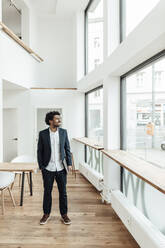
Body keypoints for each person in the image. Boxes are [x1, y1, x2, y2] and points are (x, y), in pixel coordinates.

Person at [37, 111, 72, 225]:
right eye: (57, 119)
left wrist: (70, 163)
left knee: (63, 192)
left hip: (61, 167)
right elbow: (39, 151)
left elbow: (67, 148)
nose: (59, 120)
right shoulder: (42, 134)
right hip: (48, 168)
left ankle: (64, 215)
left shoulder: (63, 132)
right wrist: (41, 166)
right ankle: (46, 214)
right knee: (47, 191)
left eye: (59, 118)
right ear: (50, 121)